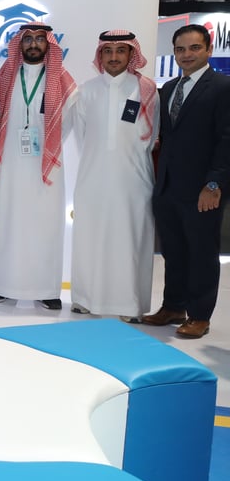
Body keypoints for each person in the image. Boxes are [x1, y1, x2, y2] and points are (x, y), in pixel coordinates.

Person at [141, 24, 230, 339]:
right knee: (174, 251)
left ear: (208, 49)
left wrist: (214, 184)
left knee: (201, 253)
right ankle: (173, 307)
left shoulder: (222, 87)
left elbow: (226, 140)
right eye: (180, 49)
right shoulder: (168, 88)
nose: (186, 55)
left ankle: (200, 315)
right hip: (168, 186)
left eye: (194, 48)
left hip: (203, 189)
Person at [0, 23, 77, 309]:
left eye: (39, 39)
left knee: (45, 226)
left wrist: (49, 147)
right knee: (6, 222)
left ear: (49, 44)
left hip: (45, 168)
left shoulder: (61, 80)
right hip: (10, 163)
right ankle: (2, 285)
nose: (33, 44)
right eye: (28, 39)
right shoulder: (5, 77)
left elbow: (69, 120)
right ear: (19, 44)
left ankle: (46, 289)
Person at [69, 30, 159, 319]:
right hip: (93, 179)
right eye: (108, 51)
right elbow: (82, 139)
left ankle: (129, 304)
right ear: (100, 55)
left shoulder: (146, 90)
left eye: (121, 50)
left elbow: (152, 137)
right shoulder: (86, 90)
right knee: (90, 237)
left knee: (129, 240)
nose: (114, 56)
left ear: (132, 54)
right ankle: (85, 298)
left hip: (134, 180)